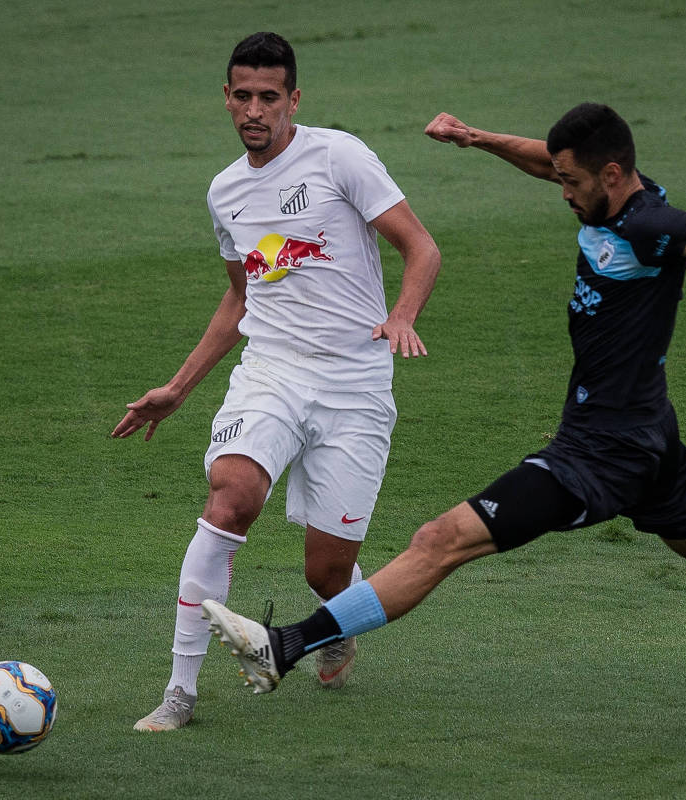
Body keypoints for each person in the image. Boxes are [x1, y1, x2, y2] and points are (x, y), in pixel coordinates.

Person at [201, 103, 686, 713]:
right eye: (556, 176)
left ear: (613, 175)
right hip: (647, 431)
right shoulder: (610, 187)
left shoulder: (655, 229)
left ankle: (287, 648)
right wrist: (477, 138)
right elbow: (540, 156)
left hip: (602, 450)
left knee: (440, 540)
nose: (559, 191)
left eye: (569, 181)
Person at [112, 32, 441, 732]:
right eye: (242, 96)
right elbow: (241, 299)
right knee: (230, 500)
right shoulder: (225, 191)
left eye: (269, 96)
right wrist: (179, 387)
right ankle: (180, 693)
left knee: (327, 574)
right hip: (273, 372)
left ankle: (336, 623)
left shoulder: (339, 156)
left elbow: (421, 246)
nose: (255, 109)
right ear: (226, 99)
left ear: (294, 99)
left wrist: (401, 315)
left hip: (355, 384)